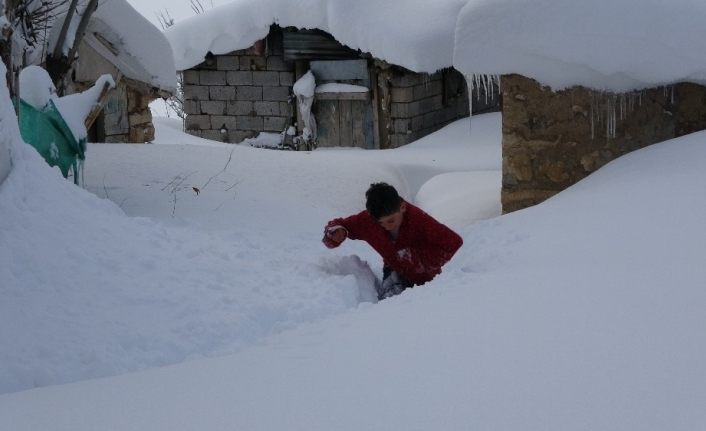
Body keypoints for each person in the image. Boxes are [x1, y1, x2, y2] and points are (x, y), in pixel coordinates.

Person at [322, 182, 463, 300]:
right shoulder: (368, 221)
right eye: (380, 223)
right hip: (394, 272)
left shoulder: (419, 220)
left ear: (402, 207)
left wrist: (415, 258)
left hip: (427, 279)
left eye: (391, 220)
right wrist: (335, 233)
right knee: (390, 306)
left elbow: (453, 242)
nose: (387, 226)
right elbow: (340, 226)